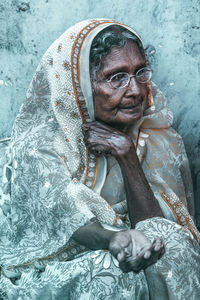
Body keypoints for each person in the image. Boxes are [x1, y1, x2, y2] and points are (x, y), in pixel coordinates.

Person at [0, 18, 199, 300]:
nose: (136, 90)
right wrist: (115, 239)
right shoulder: (40, 144)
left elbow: (156, 228)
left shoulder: (152, 134)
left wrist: (126, 154)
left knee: (173, 246)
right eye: (116, 77)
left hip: (129, 251)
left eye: (140, 72)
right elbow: (70, 222)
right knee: (115, 270)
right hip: (57, 265)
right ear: (78, 85)